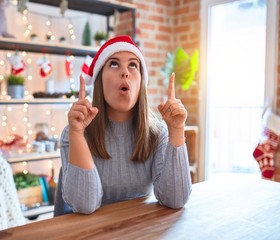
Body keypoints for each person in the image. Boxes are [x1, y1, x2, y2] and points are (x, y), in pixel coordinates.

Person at [56, 35, 192, 215]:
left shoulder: (158, 133)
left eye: (133, 65)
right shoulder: (73, 133)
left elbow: (176, 200)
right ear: (99, 80)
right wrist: (77, 133)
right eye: (114, 64)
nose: (125, 72)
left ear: (141, 82)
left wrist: (176, 131)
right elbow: (85, 205)